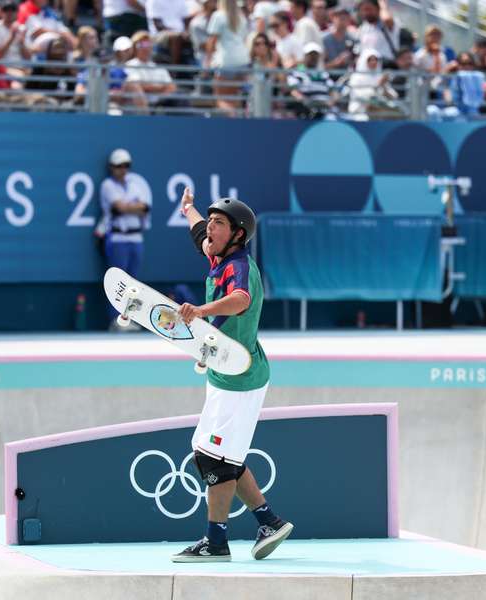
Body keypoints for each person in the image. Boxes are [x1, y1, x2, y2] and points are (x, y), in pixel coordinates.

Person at [171, 188, 293, 563]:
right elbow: (198, 233)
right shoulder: (216, 250)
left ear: (238, 235)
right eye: (210, 221)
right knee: (216, 455)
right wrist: (190, 209)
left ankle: (216, 541)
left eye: (219, 223)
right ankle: (268, 521)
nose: (210, 226)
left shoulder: (239, 266)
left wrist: (201, 310)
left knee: (212, 458)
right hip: (224, 373)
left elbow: (240, 299)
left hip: (241, 375)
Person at [99, 148, 149, 330]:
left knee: (133, 283)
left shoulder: (135, 184)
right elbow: (119, 207)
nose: (123, 169)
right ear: (111, 167)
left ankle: (130, 318)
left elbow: (145, 208)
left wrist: (130, 206)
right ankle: (115, 320)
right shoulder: (107, 185)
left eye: (126, 165)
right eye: (119, 166)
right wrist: (132, 206)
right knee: (117, 283)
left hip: (136, 238)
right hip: (117, 238)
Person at [205, 0, 248, 114]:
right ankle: (237, 120)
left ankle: (233, 119)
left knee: (219, 98)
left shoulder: (218, 15)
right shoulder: (241, 17)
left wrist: (207, 61)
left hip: (226, 61)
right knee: (233, 97)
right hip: (243, 60)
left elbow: (211, 41)